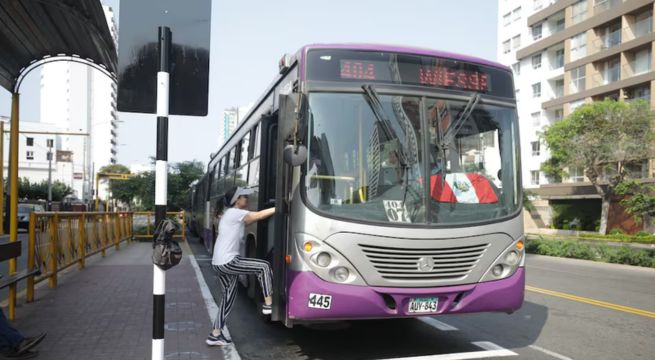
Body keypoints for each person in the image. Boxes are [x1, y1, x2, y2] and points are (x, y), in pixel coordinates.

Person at [206, 186, 276, 347]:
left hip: (218, 262)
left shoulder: (232, 215)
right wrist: (280, 207)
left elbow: (252, 219)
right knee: (263, 266)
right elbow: (258, 215)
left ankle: (215, 334)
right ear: (237, 200)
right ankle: (268, 304)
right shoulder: (235, 213)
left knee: (228, 298)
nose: (247, 199)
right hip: (228, 261)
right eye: (244, 197)